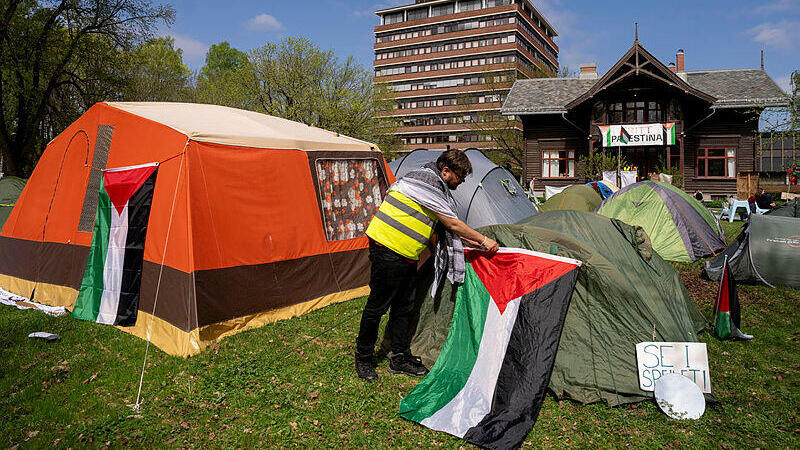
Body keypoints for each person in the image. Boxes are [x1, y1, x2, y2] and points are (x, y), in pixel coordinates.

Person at [355, 150, 500, 382]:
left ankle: (399, 357)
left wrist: (474, 242)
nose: (461, 182)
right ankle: (363, 358)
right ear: (445, 171)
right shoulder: (427, 183)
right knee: (378, 306)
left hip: (406, 253)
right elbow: (452, 222)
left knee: (405, 307)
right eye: (460, 177)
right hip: (387, 248)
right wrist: (484, 240)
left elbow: (445, 226)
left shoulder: (433, 187)